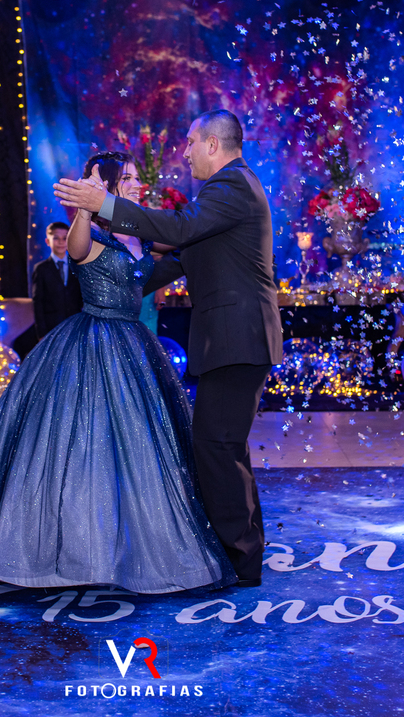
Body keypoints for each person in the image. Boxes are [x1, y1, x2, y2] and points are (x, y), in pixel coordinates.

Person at [0, 151, 234, 594]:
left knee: (136, 447)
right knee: (86, 442)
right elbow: (75, 247)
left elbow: (184, 241)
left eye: (136, 177)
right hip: (92, 343)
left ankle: (132, 543)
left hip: (135, 344)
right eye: (128, 177)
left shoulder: (140, 233)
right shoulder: (89, 235)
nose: (137, 183)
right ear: (106, 184)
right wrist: (87, 207)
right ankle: (73, 547)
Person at [55, 109, 284, 587]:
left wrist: (106, 204)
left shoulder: (231, 185)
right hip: (236, 338)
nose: (185, 152)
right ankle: (243, 552)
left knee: (215, 447)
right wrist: (114, 277)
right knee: (225, 447)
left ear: (213, 145)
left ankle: (238, 561)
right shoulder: (228, 191)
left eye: (190, 142)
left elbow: (179, 231)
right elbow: (180, 253)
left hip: (237, 338)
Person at [30, 221, 83, 341]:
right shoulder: (41, 269)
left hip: (74, 325)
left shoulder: (77, 266)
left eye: (65, 238)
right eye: (56, 238)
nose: (61, 242)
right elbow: (38, 303)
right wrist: (41, 333)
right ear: (47, 241)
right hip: (52, 328)